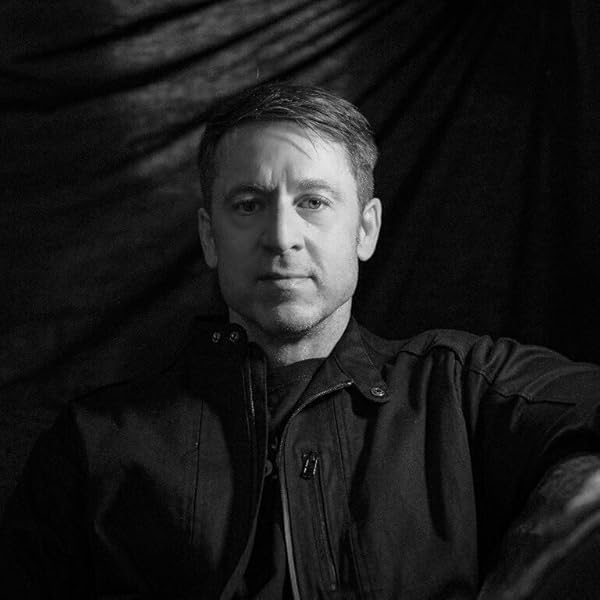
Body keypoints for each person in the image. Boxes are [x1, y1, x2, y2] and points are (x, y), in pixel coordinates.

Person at [2, 82, 600, 600]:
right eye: (248, 204)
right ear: (210, 237)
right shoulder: (93, 444)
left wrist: (552, 532)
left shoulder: (462, 388)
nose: (281, 235)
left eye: (313, 202)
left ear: (365, 229)